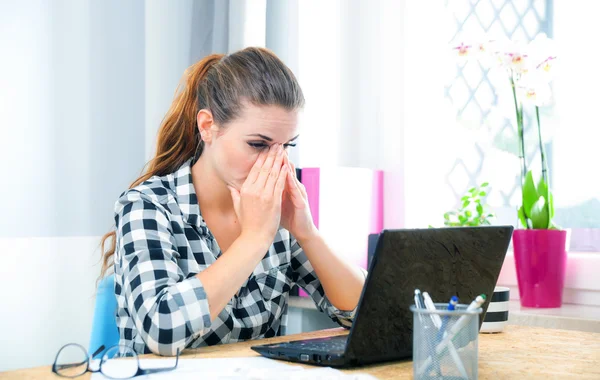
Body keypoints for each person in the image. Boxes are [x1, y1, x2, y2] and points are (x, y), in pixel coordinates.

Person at [98, 47, 367, 356]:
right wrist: (254, 238)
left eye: (286, 146)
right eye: (258, 144)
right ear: (208, 126)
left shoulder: (277, 212)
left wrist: (308, 233)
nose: (276, 163)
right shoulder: (147, 206)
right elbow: (162, 330)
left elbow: (363, 313)